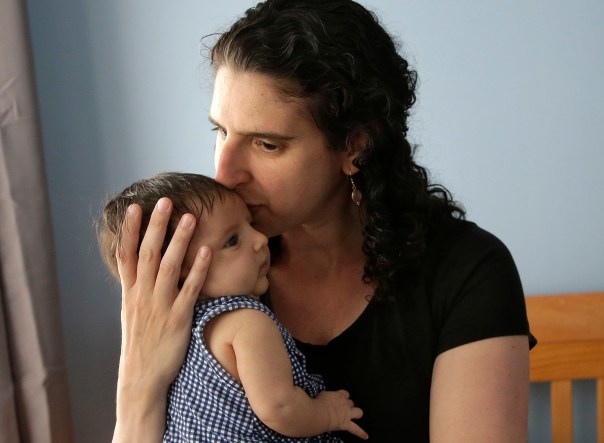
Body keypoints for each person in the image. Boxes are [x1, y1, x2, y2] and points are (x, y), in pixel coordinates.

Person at [111, 0, 536, 441]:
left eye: (267, 144)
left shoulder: (466, 271)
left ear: (355, 145)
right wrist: (137, 385)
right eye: (221, 131)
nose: (225, 175)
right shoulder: (204, 263)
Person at [98, 172, 368, 442]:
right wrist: (328, 413)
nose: (260, 239)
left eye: (249, 224)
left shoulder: (176, 332)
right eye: (232, 241)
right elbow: (279, 408)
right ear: (179, 272)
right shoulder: (247, 322)